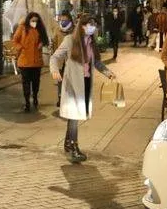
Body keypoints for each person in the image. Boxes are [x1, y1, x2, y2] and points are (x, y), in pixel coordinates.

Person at [50, 14, 116, 163]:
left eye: (94, 25)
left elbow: (97, 63)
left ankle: (68, 144)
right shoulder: (70, 40)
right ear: (82, 25)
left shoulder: (91, 42)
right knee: (74, 116)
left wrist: (108, 73)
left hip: (85, 84)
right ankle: (73, 147)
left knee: (76, 115)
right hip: (72, 85)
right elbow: (54, 57)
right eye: (90, 24)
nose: (92, 27)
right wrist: (54, 70)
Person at [11, 12, 48, 112]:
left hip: (36, 61)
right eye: (32, 21)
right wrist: (21, 48)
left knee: (36, 83)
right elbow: (14, 40)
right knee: (26, 83)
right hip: (24, 61)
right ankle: (27, 102)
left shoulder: (40, 29)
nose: (34, 22)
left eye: (36, 21)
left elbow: (45, 40)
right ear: (28, 20)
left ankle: (35, 97)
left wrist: (42, 43)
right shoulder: (22, 28)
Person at [51, 10, 74, 108]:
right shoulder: (57, 30)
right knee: (60, 80)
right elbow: (54, 43)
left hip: (70, 59)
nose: (63, 22)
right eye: (62, 20)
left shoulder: (74, 31)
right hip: (60, 59)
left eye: (65, 20)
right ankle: (60, 98)